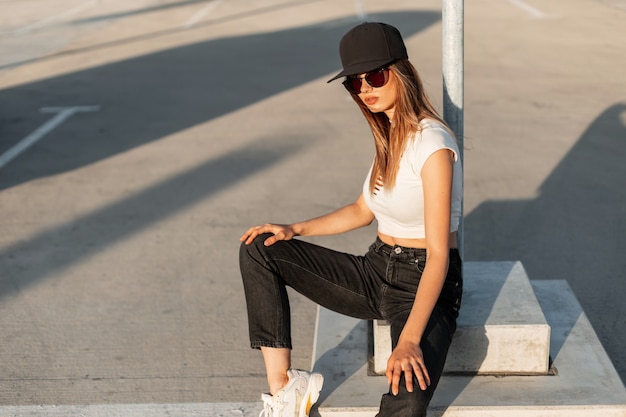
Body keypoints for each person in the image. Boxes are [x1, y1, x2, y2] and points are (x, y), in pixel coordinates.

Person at [239, 22, 463, 417]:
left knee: (406, 399)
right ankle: (286, 388)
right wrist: (293, 229)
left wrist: (409, 340)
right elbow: (363, 210)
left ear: (402, 72)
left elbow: (439, 254)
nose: (365, 89)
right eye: (354, 83)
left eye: (374, 76)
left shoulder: (433, 144)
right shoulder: (389, 133)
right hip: (376, 270)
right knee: (262, 248)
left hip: (424, 280)